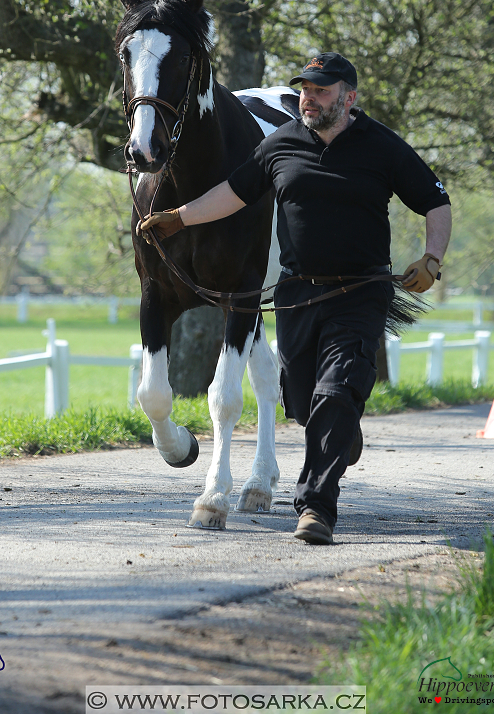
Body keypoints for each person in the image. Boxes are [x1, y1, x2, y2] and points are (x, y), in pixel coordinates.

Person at [138, 52, 452, 545]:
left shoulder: (381, 146)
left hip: (358, 292)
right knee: (303, 401)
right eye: (304, 89)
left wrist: (432, 259)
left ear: (348, 98)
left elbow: (436, 199)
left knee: (335, 392)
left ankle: (315, 508)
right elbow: (234, 194)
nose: (309, 99)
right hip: (298, 294)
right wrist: (179, 217)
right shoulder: (281, 143)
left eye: (321, 91)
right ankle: (340, 429)